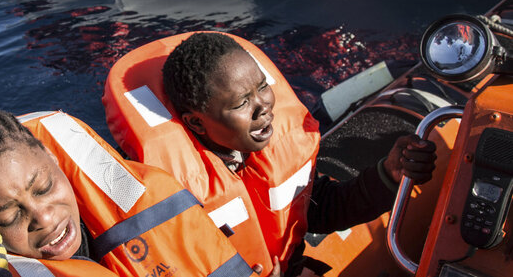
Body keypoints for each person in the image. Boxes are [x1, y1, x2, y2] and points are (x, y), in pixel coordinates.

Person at [101, 32, 437, 276]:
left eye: (262, 87)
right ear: (195, 122)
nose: (263, 107)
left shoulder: (260, 149)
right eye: (241, 103)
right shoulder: (156, 192)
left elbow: (316, 210)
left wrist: (387, 175)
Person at [0, 109, 251, 277]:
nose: (45, 218)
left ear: (54, 159)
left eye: (45, 187)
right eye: (7, 217)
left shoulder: (142, 192)